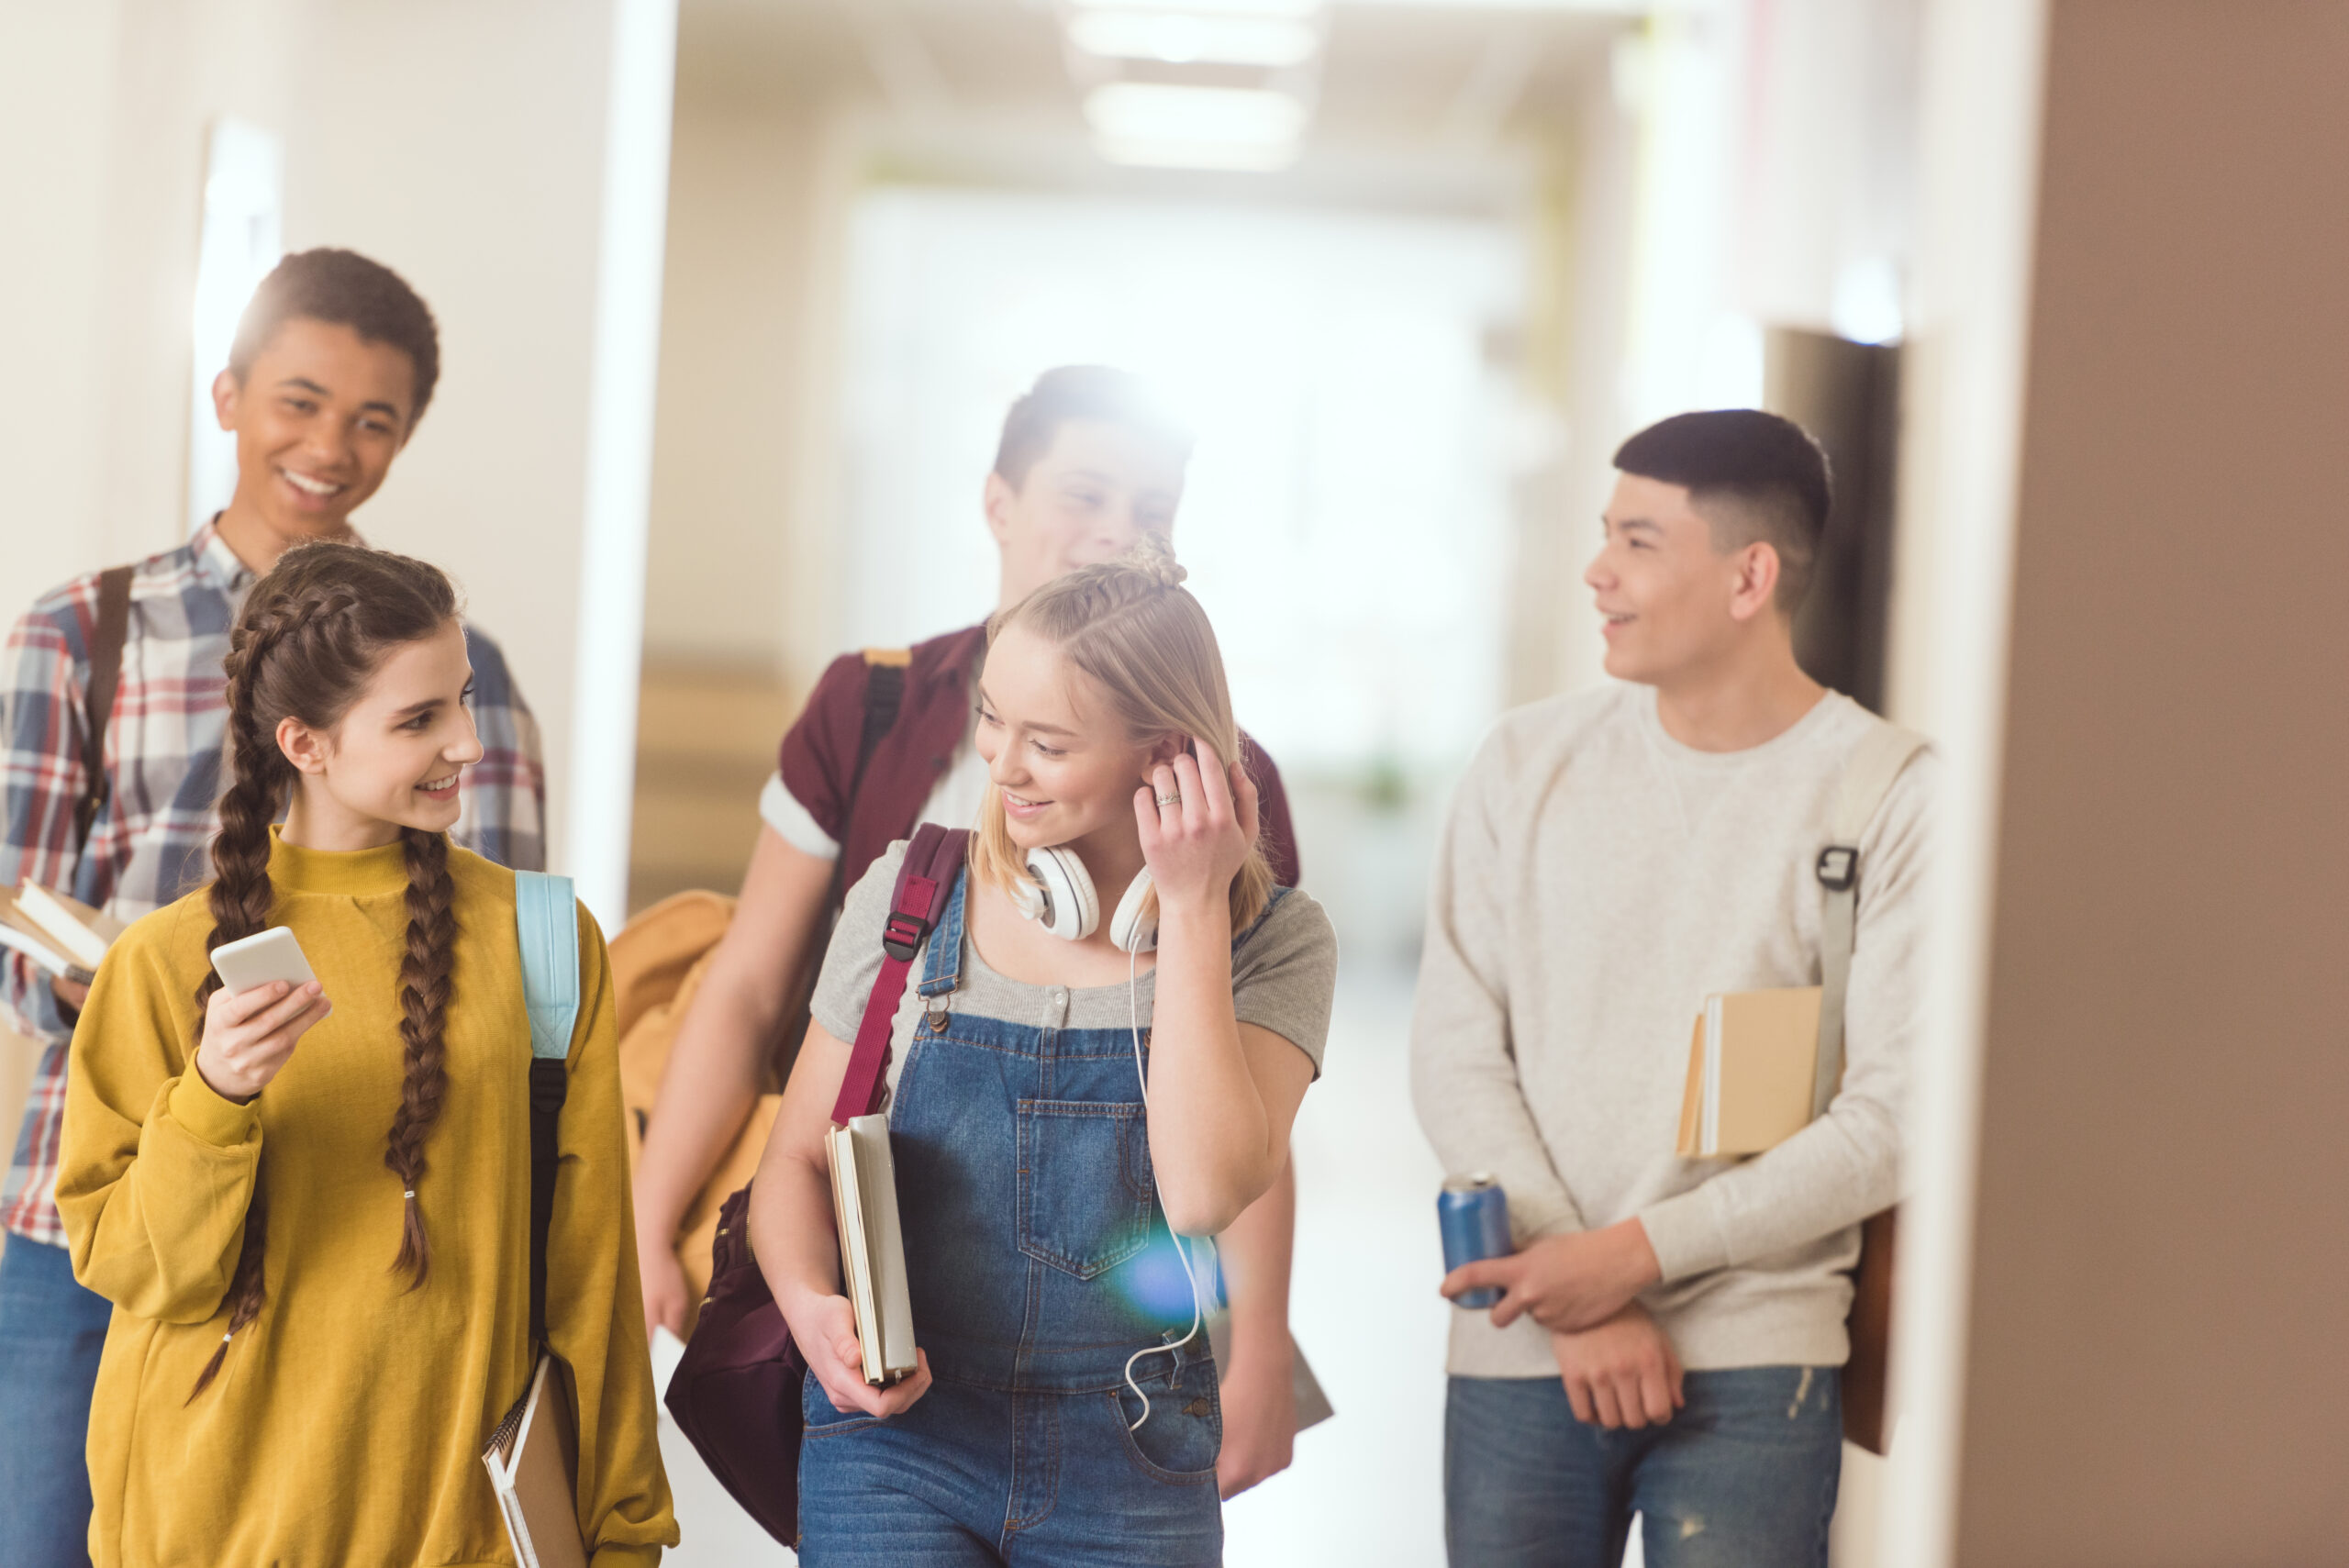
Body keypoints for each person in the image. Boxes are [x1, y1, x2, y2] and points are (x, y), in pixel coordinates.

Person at [630, 366, 1311, 1496]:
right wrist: (655, 1218)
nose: (1118, 534)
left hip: (1111, 1332)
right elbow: (750, 982)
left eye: (1153, 509)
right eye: (1085, 494)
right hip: (885, 1283)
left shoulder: (1224, 785)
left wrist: (1262, 1341)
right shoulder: (874, 704)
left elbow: (1250, 1087)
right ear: (998, 502)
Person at [0, 248, 544, 1565]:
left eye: (375, 421)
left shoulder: (465, 680)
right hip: (97, 1215)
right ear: (228, 394)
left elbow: (513, 976)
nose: (331, 447)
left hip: (364, 1236)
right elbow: (18, 925)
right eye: (300, 401)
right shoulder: (86, 631)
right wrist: (187, 1028)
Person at [55, 542, 672, 1566]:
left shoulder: (546, 938)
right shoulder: (161, 963)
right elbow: (132, 1267)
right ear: (305, 741)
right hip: (212, 1518)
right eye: (420, 718)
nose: (470, 743)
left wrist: (625, 1528)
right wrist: (215, 1094)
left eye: (463, 699)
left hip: (464, 1522)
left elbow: (593, 1265)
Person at [1410, 409, 1934, 1566]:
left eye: (1638, 541)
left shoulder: (1888, 794)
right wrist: (1574, 1290)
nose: (1597, 570)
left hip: (1755, 1360)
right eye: (1604, 534)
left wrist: (1631, 1258)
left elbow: (1894, 1118)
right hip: (1521, 1342)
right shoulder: (1521, 763)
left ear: (1750, 576)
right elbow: (1455, 1047)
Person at [751, 540, 1335, 1566]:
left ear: (1171, 756)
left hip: (1136, 1454)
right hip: (896, 1438)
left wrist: (1192, 909)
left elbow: (1202, 1191)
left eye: (1049, 742)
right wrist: (811, 1308)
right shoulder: (909, 895)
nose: (1000, 762)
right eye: (991, 716)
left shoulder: (1272, 941)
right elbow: (794, 1160)